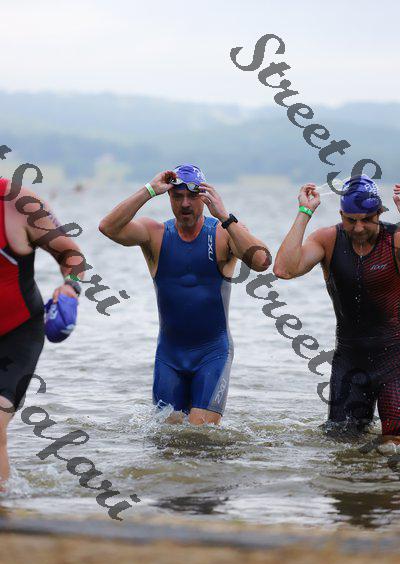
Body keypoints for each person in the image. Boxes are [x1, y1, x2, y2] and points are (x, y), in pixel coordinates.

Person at [99, 164, 271, 425]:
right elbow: (108, 227)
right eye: (178, 196)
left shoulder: (224, 232)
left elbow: (262, 262)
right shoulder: (155, 234)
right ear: (169, 197)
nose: (185, 204)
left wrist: (225, 216)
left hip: (212, 353)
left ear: (204, 197)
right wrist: (149, 190)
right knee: (166, 440)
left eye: (192, 196)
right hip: (169, 356)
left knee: (201, 436)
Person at [273, 174, 400, 453]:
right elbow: (284, 269)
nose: (358, 227)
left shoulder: (394, 240)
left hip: (395, 361)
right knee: (342, 447)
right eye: (351, 220)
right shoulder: (328, 239)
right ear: (341, 214)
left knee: (394, 443)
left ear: (380, 213)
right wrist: (304, 212)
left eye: (367, 219)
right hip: (349, 362)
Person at [0, 177, 83, 485]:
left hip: (16, 334)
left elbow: (71, 254)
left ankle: (5, 507)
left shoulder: (18, 204)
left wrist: (70, 287)